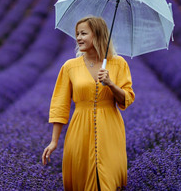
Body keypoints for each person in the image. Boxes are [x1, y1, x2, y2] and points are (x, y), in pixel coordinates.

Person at [42, 16, 135, 190]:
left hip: (111, 129)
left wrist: (111, 84)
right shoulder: (70, 66)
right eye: (77, 34)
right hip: (79, 130)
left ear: (98, 35)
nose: (78, 38)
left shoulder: (118, 63)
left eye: (83, 33)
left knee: (110, 178)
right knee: (81, 178)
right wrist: (54, 141)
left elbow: (126, 99)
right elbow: (59, 105)